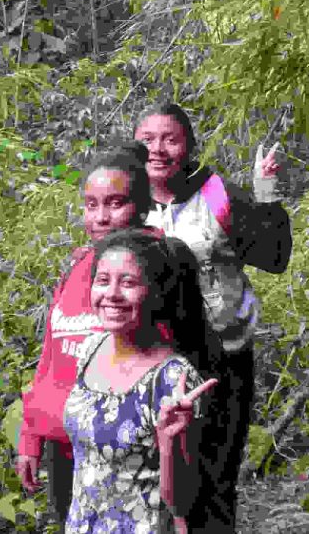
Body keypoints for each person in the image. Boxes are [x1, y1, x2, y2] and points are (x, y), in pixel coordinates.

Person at [133, 102, 292, 533]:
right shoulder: (126, 205)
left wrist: (265, 196)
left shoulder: (215, 193)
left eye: (170, 138)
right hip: (153, 365)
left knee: (217, 478)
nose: (158, 149)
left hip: (224, 357)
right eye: (147, 139)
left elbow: (274, 257)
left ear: (188, 146)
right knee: (159, 483)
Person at [16, 142, 160, 527]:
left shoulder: (160, 269)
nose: (100, 217)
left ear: (141, 207)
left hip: (123, 456)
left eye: (115, 203)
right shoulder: (79, 266)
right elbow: (51, 356)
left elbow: (169, 366)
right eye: (91, 204)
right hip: (65, 448)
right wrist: (31, 436)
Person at [63, 228, 220, 533]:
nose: (111, 294)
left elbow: (182, 504)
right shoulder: (90, 349)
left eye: (128, 282)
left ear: (157, 292)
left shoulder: (172, 379)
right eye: (103, 280)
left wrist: (170, 440)